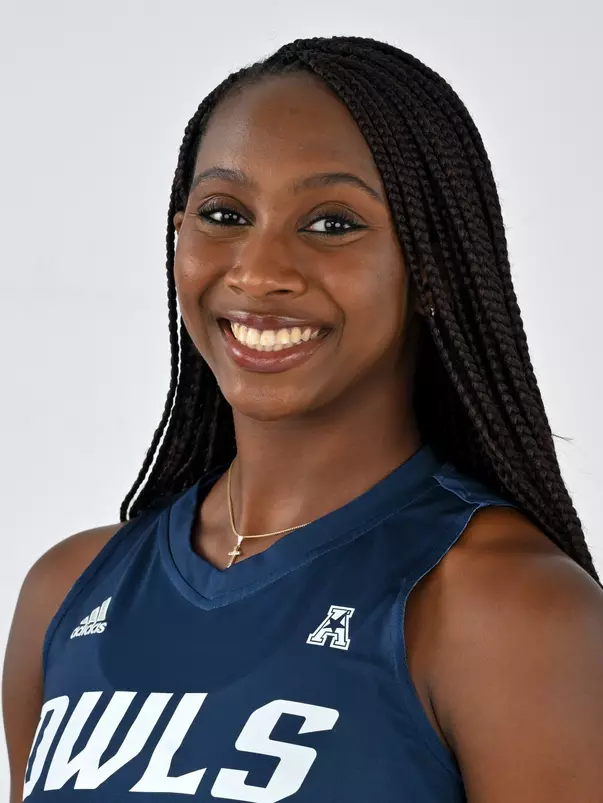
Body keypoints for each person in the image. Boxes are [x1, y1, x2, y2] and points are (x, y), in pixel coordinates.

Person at [3, 35, 603, 803]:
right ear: (177, 234)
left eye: (331, 223)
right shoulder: (67, 593)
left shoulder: (509, 612)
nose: (257, 271)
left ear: (430, 266)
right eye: (224, 212)